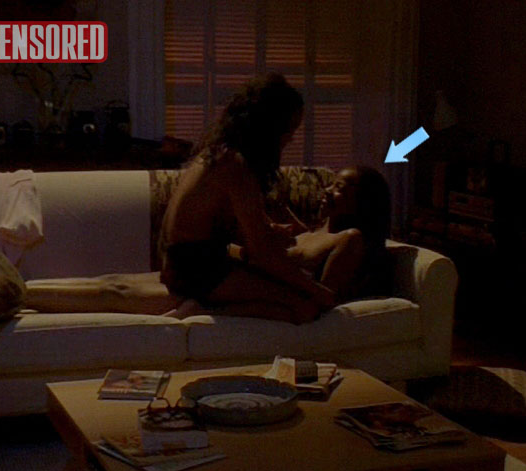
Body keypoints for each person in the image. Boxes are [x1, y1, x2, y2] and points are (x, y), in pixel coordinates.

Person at [159, 73, 336, 324]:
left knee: (290, 289)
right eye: (289, 129)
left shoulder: (219, 154)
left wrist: (270, 230)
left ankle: (209, 305)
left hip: (185, 263)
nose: (291, 138)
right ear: (271, 127)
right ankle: (202, 310)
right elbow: (261, 253)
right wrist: (316, 289)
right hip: (198, 270)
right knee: (304, 307)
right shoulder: (234, 165)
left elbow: (229, 225)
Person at [286, 166, 392, 302]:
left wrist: (282, 270)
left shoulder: (349, 238)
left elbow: (325, 298)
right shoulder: (310, 232)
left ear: (362, 202)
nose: (327, 190)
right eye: (332, 184)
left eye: (339, 188)